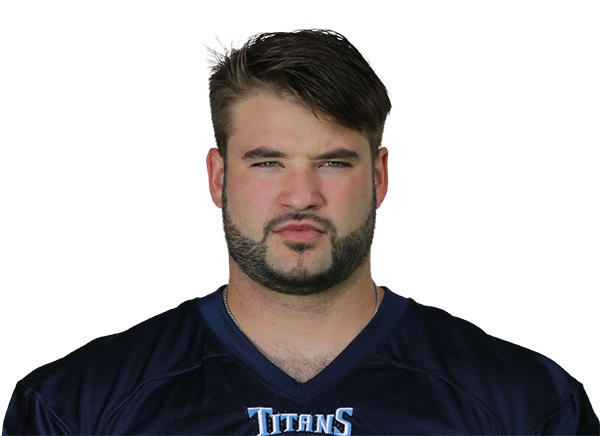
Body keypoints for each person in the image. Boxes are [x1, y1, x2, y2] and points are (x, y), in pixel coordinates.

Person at [3, 29, 599, 436]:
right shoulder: (75, 406)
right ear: (218, 178)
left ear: (379, 177)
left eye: (333, 162)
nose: (301, 196)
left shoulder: (528, 406)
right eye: (268, 162)